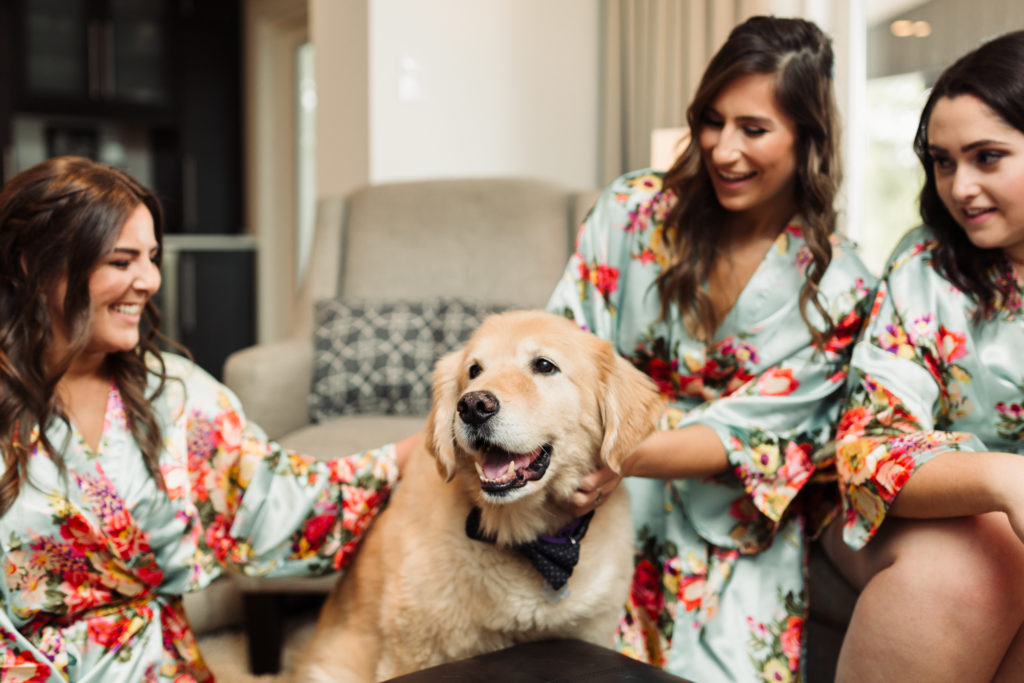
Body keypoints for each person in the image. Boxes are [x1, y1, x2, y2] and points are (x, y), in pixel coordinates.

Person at [547, 15, 875, 682]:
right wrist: (593, 455)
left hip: (729, 519)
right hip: (591, 481)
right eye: (713, 120)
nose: (723, 149)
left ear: (807, 138)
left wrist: (625, 454)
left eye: (753, 129)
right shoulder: (631, 211)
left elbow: (753, 433)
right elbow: (563, 346)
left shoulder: (840, 286)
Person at [0, 156, 416, 682]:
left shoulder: (175, 395)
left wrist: (408, 454)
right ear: (32, 265)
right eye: (121, 261)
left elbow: (274, 499)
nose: (149, 280)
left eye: (151, 258)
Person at [824, 30, 1024, 682]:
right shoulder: (926, 265)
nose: (960, 188)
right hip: (914, 512)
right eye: (943, 161)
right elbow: (867, 450)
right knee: (983, 554)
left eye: (987, 157)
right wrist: (1004, 481)